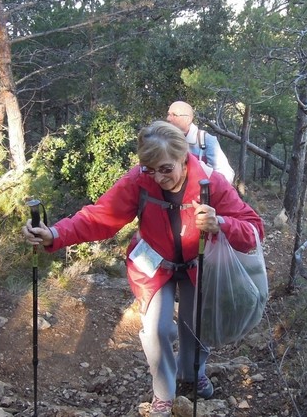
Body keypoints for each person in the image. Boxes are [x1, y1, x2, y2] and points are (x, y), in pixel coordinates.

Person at [22, 121, 264, 417]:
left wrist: (221, 223)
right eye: (149, 169)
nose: (158, 177)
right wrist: (55, 234)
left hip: (197, 264)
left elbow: (254, 231)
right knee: (155, 329)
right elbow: (100, 217)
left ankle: (192, 373)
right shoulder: (139, 180)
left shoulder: (212, 183)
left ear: (183, 158)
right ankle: (163, 393)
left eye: (165, 168)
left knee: (195, 324)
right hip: (154, 263)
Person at [167, 101, 236, 184]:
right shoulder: (163, 139)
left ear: (188, 119)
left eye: (174, 115)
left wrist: (207, 182)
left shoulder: (206, 140)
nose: (168, 119)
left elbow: (227, 174)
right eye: (168, 114)